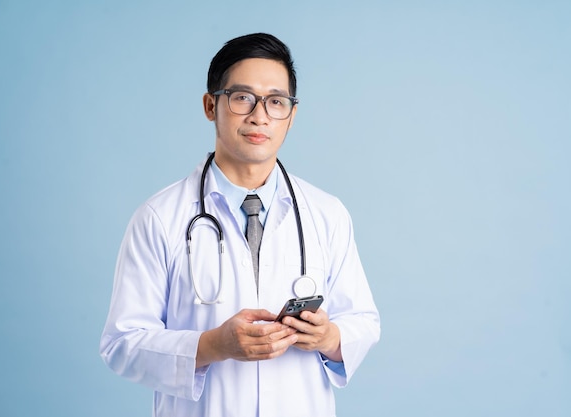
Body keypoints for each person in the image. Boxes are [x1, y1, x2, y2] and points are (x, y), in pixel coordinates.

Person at [100, 32, 380, 417]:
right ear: (210, 105)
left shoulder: (327, 213)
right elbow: (122, 343)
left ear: (291, 116)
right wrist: (214, 345)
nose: (259, 115)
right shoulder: (160, 217)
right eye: (242, 97)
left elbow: (362, 321)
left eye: (276, 102)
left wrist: (330, 337)